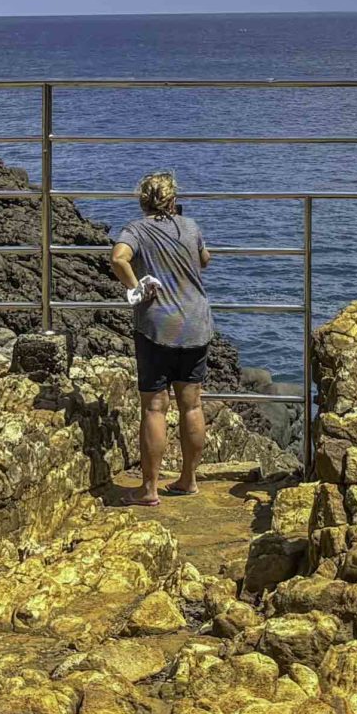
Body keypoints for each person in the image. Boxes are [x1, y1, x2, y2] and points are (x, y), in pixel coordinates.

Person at [109, 170, 214, 506]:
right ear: (173, 199)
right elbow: (205, 260)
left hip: (157, 327)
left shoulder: (136, 229)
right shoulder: (191, 227)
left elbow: (118, 258)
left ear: (143, 200)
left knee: (154, 408)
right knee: (192, 405)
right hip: (196, 324)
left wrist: (135, 287)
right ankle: (188, 479)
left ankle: (150, 489)